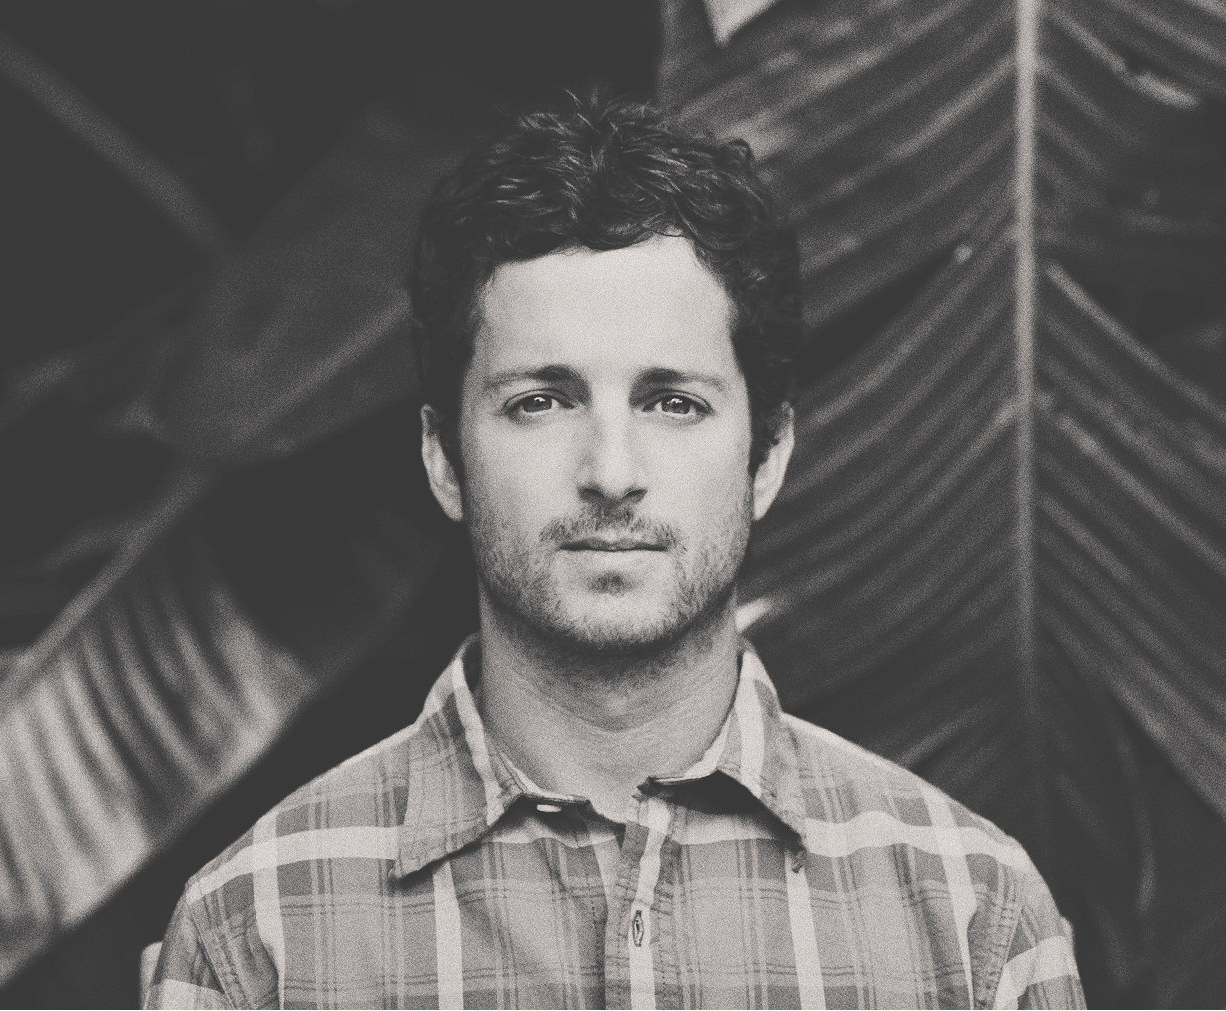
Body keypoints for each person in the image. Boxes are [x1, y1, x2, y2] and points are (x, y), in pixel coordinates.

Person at [146, 95, 1085, 1010]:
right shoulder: (256, 936)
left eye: (673, 402)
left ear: (768, 456)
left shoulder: (972, 919)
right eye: (541, 401)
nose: (610, 471)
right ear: (442, 458)